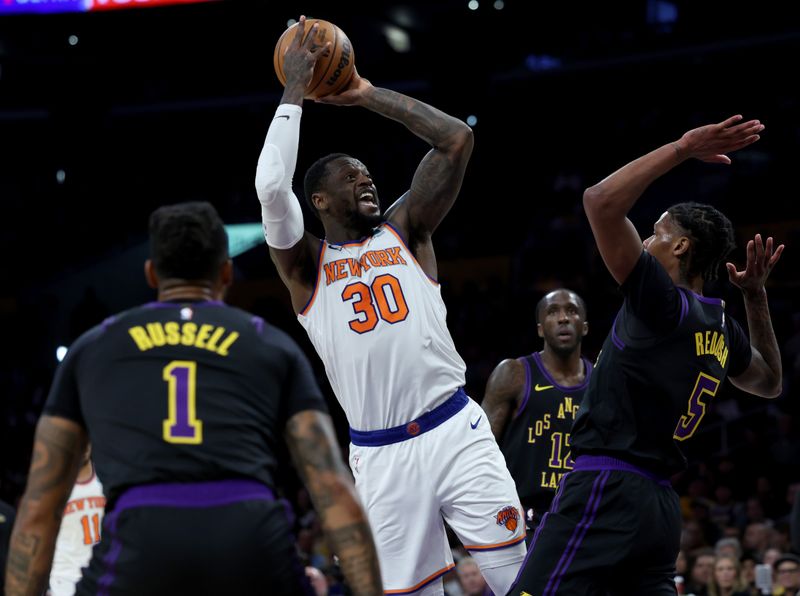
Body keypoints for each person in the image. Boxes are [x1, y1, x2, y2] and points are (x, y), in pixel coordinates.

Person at [255, 16, 525, 595]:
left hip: (456, 430)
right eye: (353, 178)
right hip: (381, 455)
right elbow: (271, 188)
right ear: (320, 199)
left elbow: (456, 139)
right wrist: (295, 90)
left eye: (369, 173)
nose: (367, 181)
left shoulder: (407, 229)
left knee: (522, 579)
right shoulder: (305, 266)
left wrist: (367, 95)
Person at [5, 202, 381, 595]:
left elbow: (39, 509)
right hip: (249, 536)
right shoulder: (270, 344)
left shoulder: (93, 347)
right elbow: (332, 488)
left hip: (142, 538)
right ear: (226, 273)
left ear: (152, 274)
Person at [509, 115, 784, 595]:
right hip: (659, 508)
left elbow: (599, 200)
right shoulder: (721, 325)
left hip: (605, 490)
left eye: (656, 232)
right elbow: (769, 382)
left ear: (680, 246)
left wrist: (682, 147)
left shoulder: (662, 302)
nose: (647, 239)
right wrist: (755, 297)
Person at [482, 288, 591, 529]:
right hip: (521, 517)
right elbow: (480, 449)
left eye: (571, 311)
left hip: (580, 518)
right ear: (540, 328)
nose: (563, 318)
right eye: (553, 312)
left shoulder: (601, 383)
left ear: (584, 326)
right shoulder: (514, 373)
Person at [48, 446, 105, 596]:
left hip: (102, 576)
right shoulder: (53, 489)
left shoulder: (108, 479)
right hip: (64, 581)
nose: (82, 446)